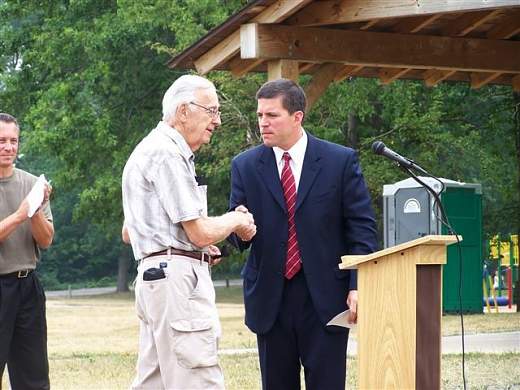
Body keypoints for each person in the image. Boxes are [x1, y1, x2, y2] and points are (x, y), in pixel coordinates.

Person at [229, 79, 378, 390]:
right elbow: (237, 238)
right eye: (259, 116)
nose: (263, 123)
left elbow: (361, 228)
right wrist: (238, 228)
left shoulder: (339, 161)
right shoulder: (244, 166)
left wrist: (358, 284)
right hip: (270, 300)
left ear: (297, 117)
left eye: (272, 115)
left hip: (325, 298)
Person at [122, 75, 256, 390]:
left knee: (153, 382)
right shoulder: (168, 153)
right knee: (197, 379)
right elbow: (198, 232)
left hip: (157, 279)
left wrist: (192, 247)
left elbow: (130, 231)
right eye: (212, 111)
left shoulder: (150, 148)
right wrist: (235, 221)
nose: (218, 121)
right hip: (176, 284)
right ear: (184, 111)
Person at [0, 113, 54, 390]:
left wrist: (34, 211)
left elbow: (45, 241)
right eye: (1, 141)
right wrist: (20, 214)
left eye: (13, 141)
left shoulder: (33, 184)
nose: (8, 147)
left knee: (33, 377)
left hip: (27, 288)